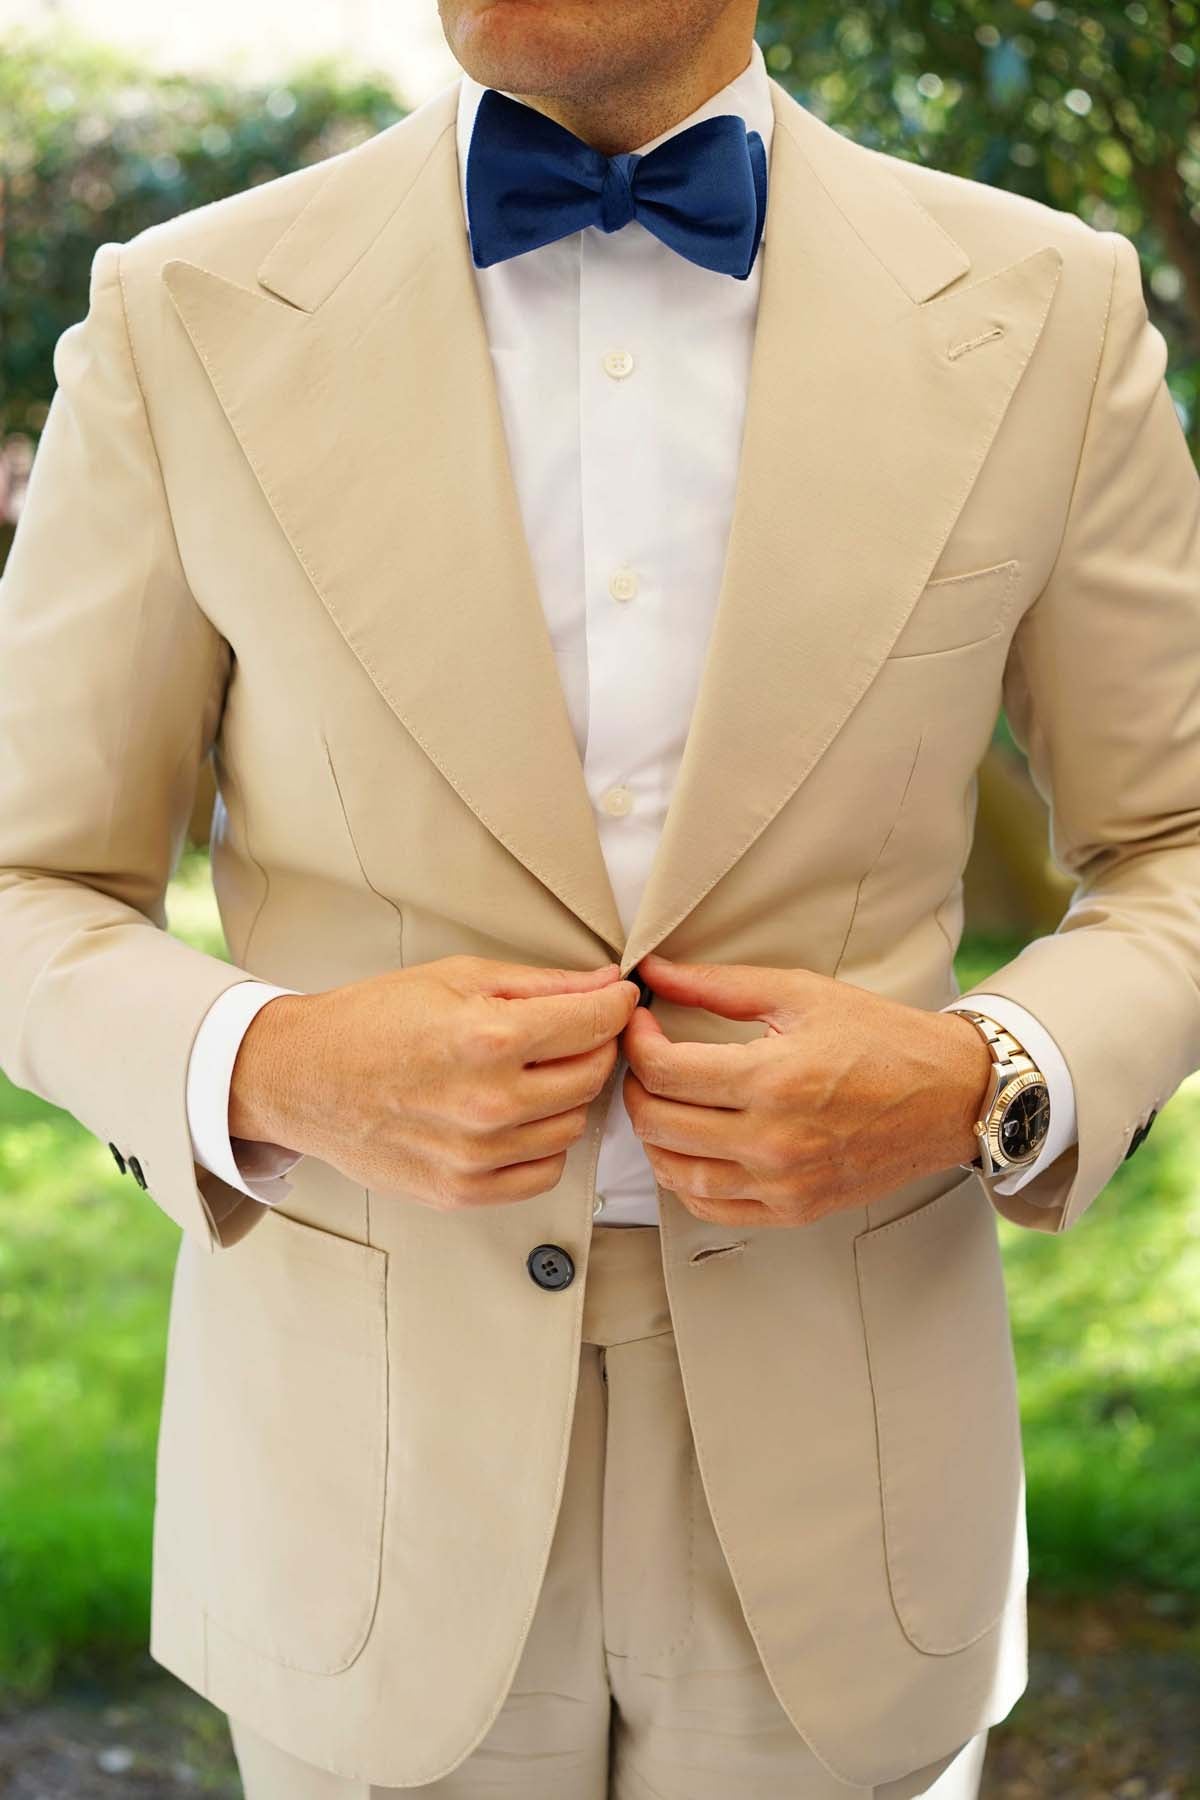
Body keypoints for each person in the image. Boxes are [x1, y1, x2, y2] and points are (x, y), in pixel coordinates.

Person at [1, 0, 1198, 1794]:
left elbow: (1176, 837)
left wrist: (985, 1079)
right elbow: (31, 875)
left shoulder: (1046, 306)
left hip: (851, 1486)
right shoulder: (183, 319)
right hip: (364, 1488)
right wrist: (275, 1065)